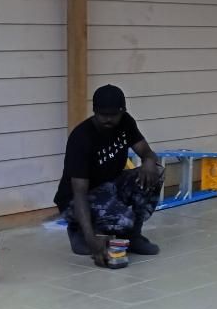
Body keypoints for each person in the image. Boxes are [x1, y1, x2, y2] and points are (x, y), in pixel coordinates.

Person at [54, 85, 162, 267]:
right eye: (103, 114)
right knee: (123, 220)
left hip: (110, 185)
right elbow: (79, 193)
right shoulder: (81, 137)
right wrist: (90, 239)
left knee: (155, 173)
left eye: (114, 114)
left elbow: (146, 152)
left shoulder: (126, 122)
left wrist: (149, 161)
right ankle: (79, 231)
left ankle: (133, 237)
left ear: (123, 112)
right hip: (76, 198)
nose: (108, 119)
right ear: (95, 111)